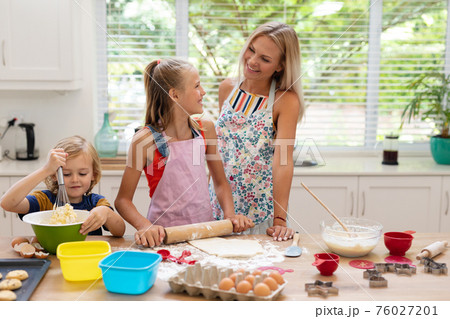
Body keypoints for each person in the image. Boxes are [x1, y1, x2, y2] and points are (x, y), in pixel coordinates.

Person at [115, 58, 254, 248]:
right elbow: (122, 201)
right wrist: (145, 227)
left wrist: (230, 216)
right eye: (197, 86)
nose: (203, 92)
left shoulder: (206, 130)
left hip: (206, 234)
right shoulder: (145, 140)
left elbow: (220, 183)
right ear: (174, 95)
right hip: (164, 239)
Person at [209, 21, 305, 241]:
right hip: (219, 207)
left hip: (259, 215)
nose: (252, 61)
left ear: (280, 66)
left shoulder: (285, 101)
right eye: (252, 50)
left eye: (265, 59)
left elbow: (283, 161)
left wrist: (279, 219)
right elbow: (218, 150)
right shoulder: (227, 88)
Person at [0, 135, 125, 237]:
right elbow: (7, 203)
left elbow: (120, 231)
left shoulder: (96, 203)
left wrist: (106, 213)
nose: (75, 179)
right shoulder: (44, 201)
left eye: (82, 173)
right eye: (66, 174)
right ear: (55, 175)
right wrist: (45, 170)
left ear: (93, 174)